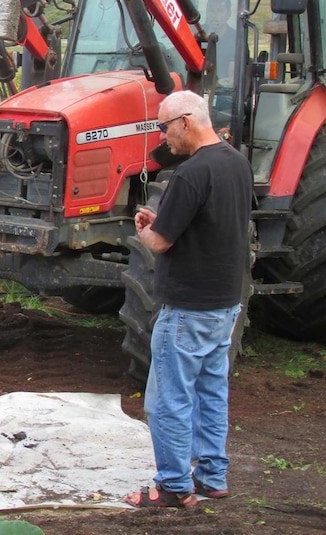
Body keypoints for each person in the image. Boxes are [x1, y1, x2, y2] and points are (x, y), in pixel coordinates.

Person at [125, 90, 253, 508]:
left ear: (184, 121)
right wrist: (164, 221)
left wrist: (147, 231)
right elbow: (210, 223)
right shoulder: (236, 163)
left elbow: (160, 244)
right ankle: (213, 477)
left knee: (167, 401)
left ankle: (175, 485)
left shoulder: (190, 173)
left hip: (187, 308)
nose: (164, 137)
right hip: (224, 304)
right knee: (211, 392)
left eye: (164, 127)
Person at [204, 0, 236, 83]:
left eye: (219, 10)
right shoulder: (197, 33)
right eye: (211, 10)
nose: (214, 15)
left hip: (223, 92)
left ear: (228, 14)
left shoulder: (235, 40)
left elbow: (232, 80)